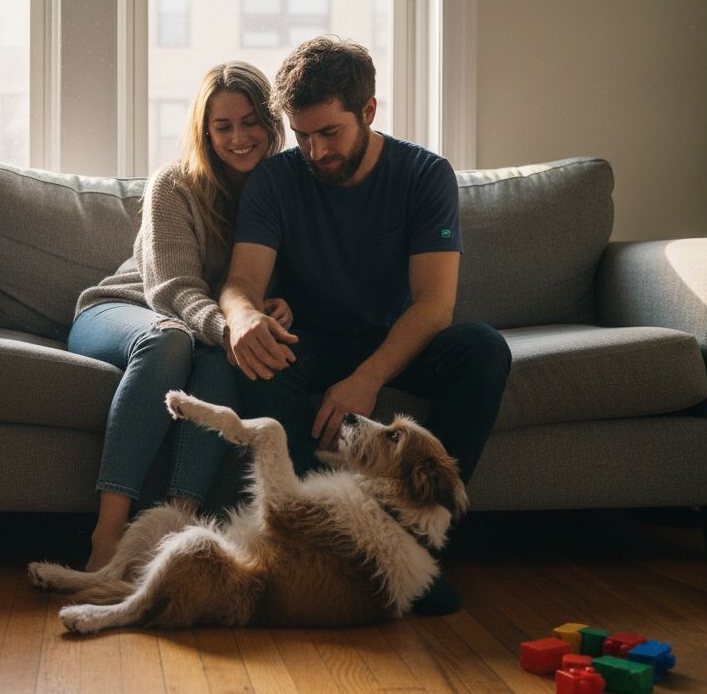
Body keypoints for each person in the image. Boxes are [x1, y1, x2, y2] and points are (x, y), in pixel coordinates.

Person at [219, 37, 512, 613]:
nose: (315, 150)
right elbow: (239, 284)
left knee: (481, 350)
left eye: (329, 133)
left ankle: (414, 553)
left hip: (395, 340)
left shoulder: (425, 175)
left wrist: (369, 378)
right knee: (259, 355)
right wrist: (244, 316)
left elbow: (434, 306)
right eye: (302, 136)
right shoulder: (275, 181)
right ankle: (314, 550)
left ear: (369, 111)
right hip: (312, 340)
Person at [69, 61, 289, 572]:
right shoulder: (175, 184)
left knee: (217, 363)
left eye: (251, 121)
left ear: (271, 123)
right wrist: (232, 327)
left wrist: (278, 305)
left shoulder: (282, 188)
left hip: (207, 334)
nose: (239, 137)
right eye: (223, 126)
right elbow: (173, 291)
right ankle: (106, 540)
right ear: (204, 131)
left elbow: (281, 278)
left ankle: (175, 535)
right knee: (171, 340)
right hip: (124, 310)